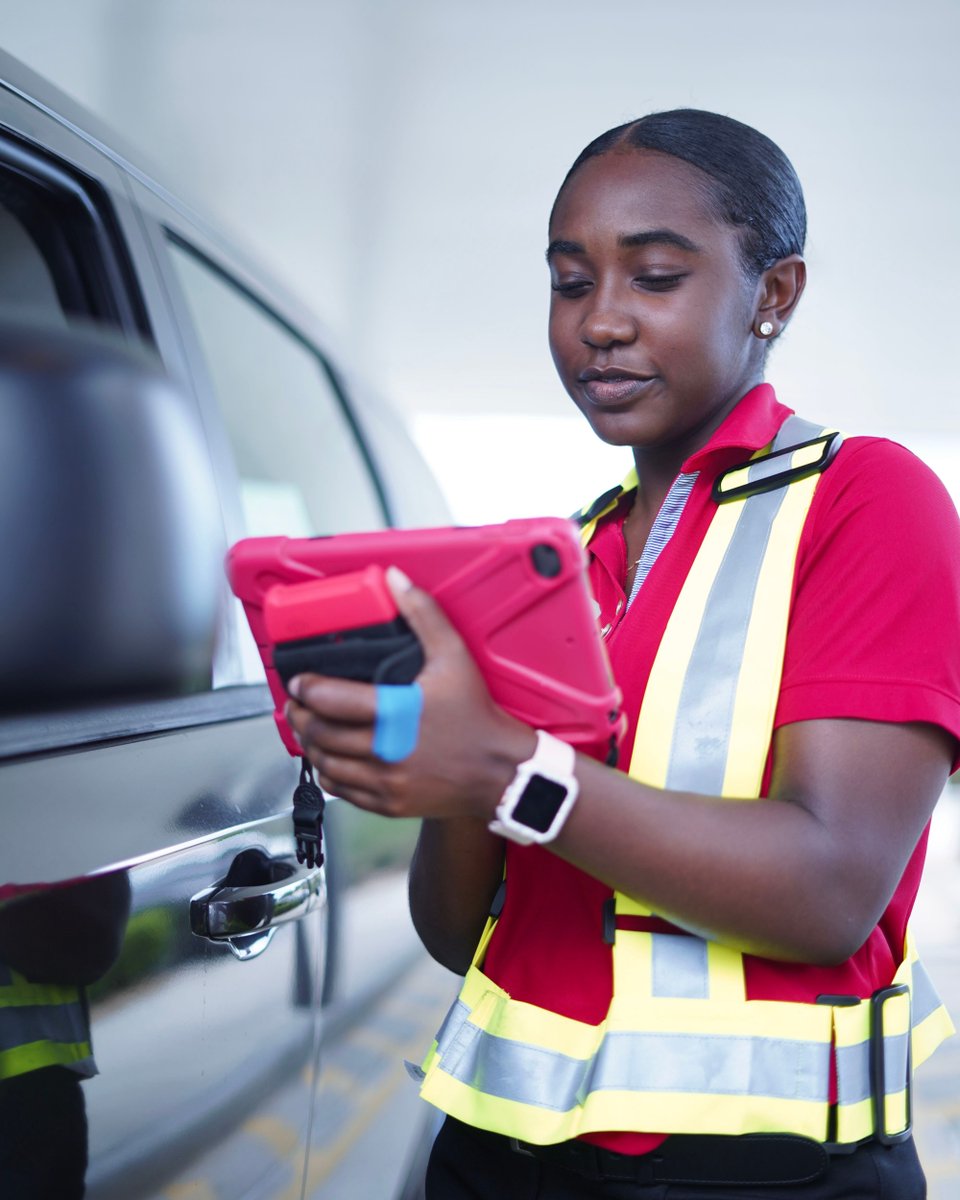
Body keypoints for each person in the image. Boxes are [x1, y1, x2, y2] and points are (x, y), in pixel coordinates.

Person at [285, 109, 960, 1198]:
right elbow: (460, 935)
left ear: (773, 295)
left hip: (763, 1177)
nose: (600, 322)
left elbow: (831, 886)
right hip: (492, 1160)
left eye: (654, 278)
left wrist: (505, 767)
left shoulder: (866, 500)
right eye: (569, 281)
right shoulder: (558, 560)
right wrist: (435, 764)